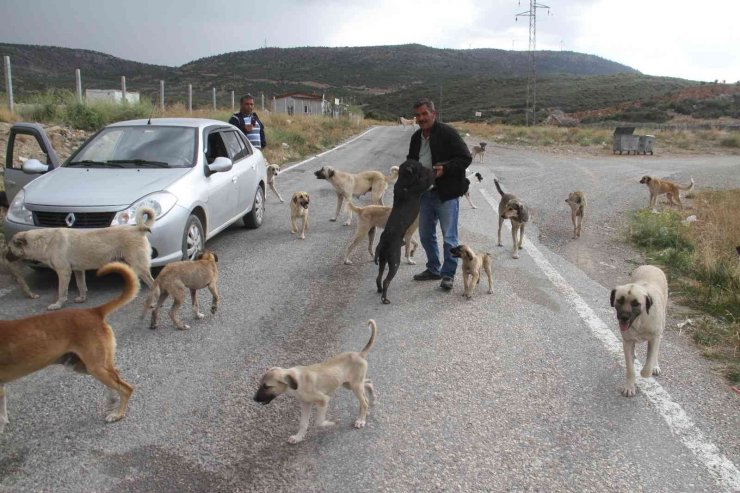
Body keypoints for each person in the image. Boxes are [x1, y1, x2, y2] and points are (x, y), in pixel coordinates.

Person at [407, 98, 472, 290]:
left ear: (433, 114)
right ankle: (433, 268)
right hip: (425, 194)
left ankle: (448, 274)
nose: (421, 118)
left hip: (447, 193)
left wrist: (446, 168)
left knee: (449, 237)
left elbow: (465, 158)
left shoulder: (448, 133)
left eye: (424, 114)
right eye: (418, 115)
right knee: (426, 235)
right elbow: (411, 160)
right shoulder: (416, 137)